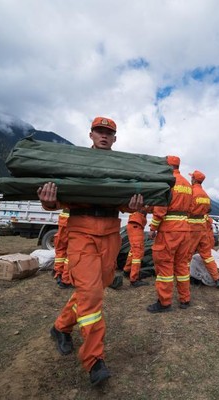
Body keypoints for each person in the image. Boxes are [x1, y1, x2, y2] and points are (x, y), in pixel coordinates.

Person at [38, 116, 144, 387]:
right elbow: (61, 195)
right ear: (91, 135)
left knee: (100, 285)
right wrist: (49, 202)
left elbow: (123, 202)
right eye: (99, 131)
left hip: (110, 233)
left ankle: (60, 326)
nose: (104, 136)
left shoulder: (120, 167)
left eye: (109, 132)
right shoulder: (77, 162)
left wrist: (132, 206)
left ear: (115, 138)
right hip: (82, 232)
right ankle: (94, 360)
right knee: (91, 294)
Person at [147, 155, 193, 312]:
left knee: (165, 265)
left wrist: (153, 228)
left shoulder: (167, 182)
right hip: (186, 229)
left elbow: (160, 209)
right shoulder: (187, 184)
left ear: (167, 166)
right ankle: (185, 299)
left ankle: (164, 302)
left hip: (169, 230)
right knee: (182, 265)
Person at [187, 170, 219, 288]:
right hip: (203, 228)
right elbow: (208, 210)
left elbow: (186, 207)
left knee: (186, 255)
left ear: (193, 179)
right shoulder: (205, 195)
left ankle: (185, 278)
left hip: (191, 228)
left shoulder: (191, 192)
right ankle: (217, 279)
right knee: (207, 256)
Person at [122, 206, 152, 287]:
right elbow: (147, 208)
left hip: (135, 224)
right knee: (138, 252)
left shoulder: (144, 198)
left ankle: (127, 270)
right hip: (136, 225)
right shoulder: (147, 200)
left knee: (134, 250)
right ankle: (134, 279)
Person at [53, 208, 72, 288]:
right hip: (73, 220)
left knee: (61, 249)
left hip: (63, 219)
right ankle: (66, 280)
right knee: (72, 252)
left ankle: (58, 273)